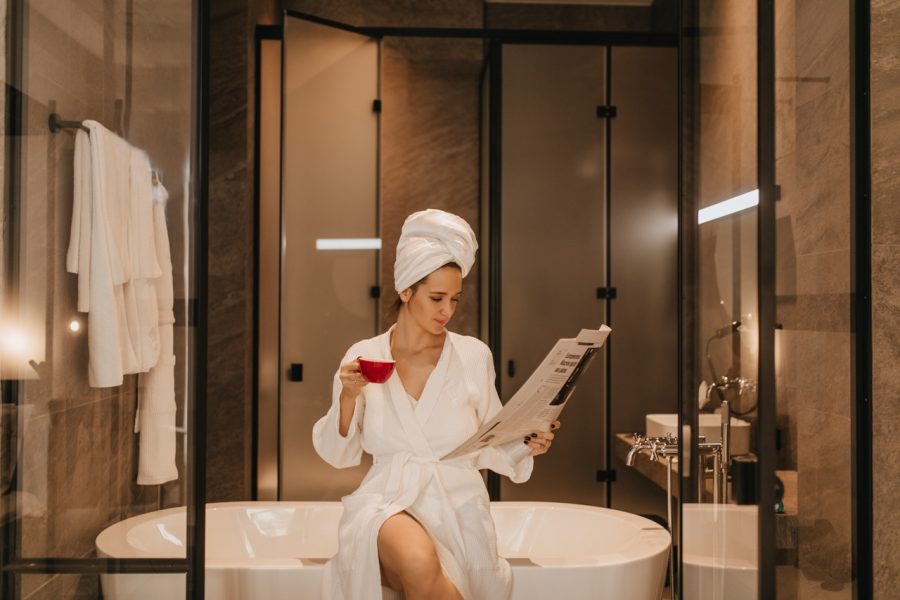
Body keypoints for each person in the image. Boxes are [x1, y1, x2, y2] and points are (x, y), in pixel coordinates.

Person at [312, 208, 560, 600]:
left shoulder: (473, 356)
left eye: (455, 299)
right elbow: (339, 454)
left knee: (431, 578)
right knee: (417, 560)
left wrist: (527, 442)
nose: (447, 310)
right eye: (437, 298)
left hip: (459, 504)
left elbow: (490, 439)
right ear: (406, 290)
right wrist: (347, 396)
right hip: (386, 499)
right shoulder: (365, 355)